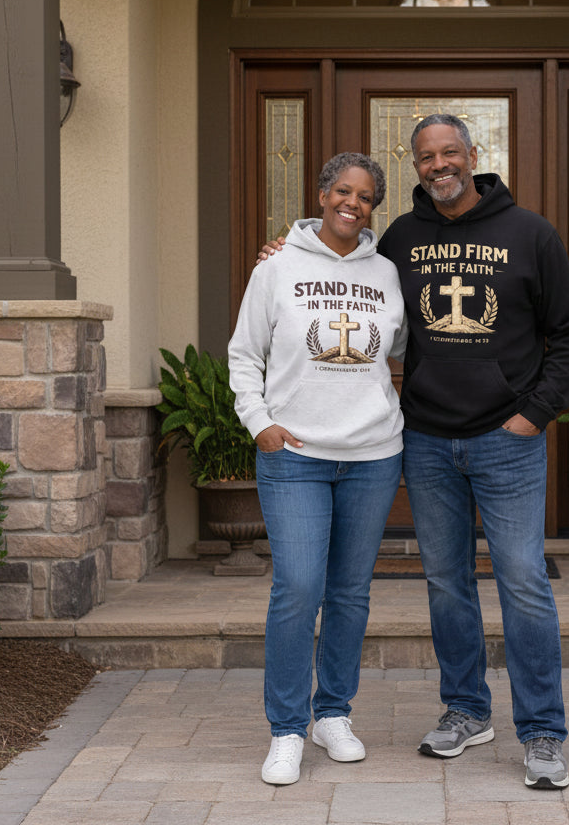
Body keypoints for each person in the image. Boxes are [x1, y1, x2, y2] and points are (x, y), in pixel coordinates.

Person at [259, 114, 569, 788]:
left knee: (524, 583)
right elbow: (341, 271)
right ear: (415, 167)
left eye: (450, 152)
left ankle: (544, 733)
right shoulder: (401, 241)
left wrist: (532, 417)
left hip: (507, 443)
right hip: (429, 441)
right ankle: (466, 711)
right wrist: (281, 259)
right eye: (426, 157)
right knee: (446, 585)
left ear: (472, 155)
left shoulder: (531, 233)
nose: (440, 164)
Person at [229, 152, 408, 786]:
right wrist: (261, 425)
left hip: (372, 455)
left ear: (372, 208)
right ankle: (285, 729)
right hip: (296, 455)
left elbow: (409, 350)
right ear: (322, 194)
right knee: (298, 588)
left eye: (364, 197)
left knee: (350, 594)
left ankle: (332, 714)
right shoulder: (276, 267)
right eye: (341, 191)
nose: (351, 204)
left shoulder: (387, 273)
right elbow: (244, 353)